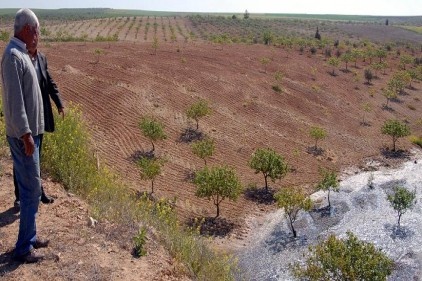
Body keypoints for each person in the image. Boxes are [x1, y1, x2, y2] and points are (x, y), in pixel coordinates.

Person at [1, 8, 49, 263]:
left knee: (33, 188)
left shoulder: (22, 54)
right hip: (25, 138)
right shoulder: (12, 56)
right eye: (37, 31)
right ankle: (22, 249)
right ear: (28, 29)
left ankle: (30, 236)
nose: (38, 36)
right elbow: (15, 101)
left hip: (30, 135)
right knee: (31, 190)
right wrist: (27, 134)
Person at [13, 35, 65, 207]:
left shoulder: (41, 58)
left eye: (37, 38)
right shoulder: (20, 59)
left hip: (39, 116)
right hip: (24, 117)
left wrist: (59, 104)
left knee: (36, 156)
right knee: (22, 157)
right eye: (32, 38)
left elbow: (49, 82)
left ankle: (39, 191)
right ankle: (19, 196)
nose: (34, 41)